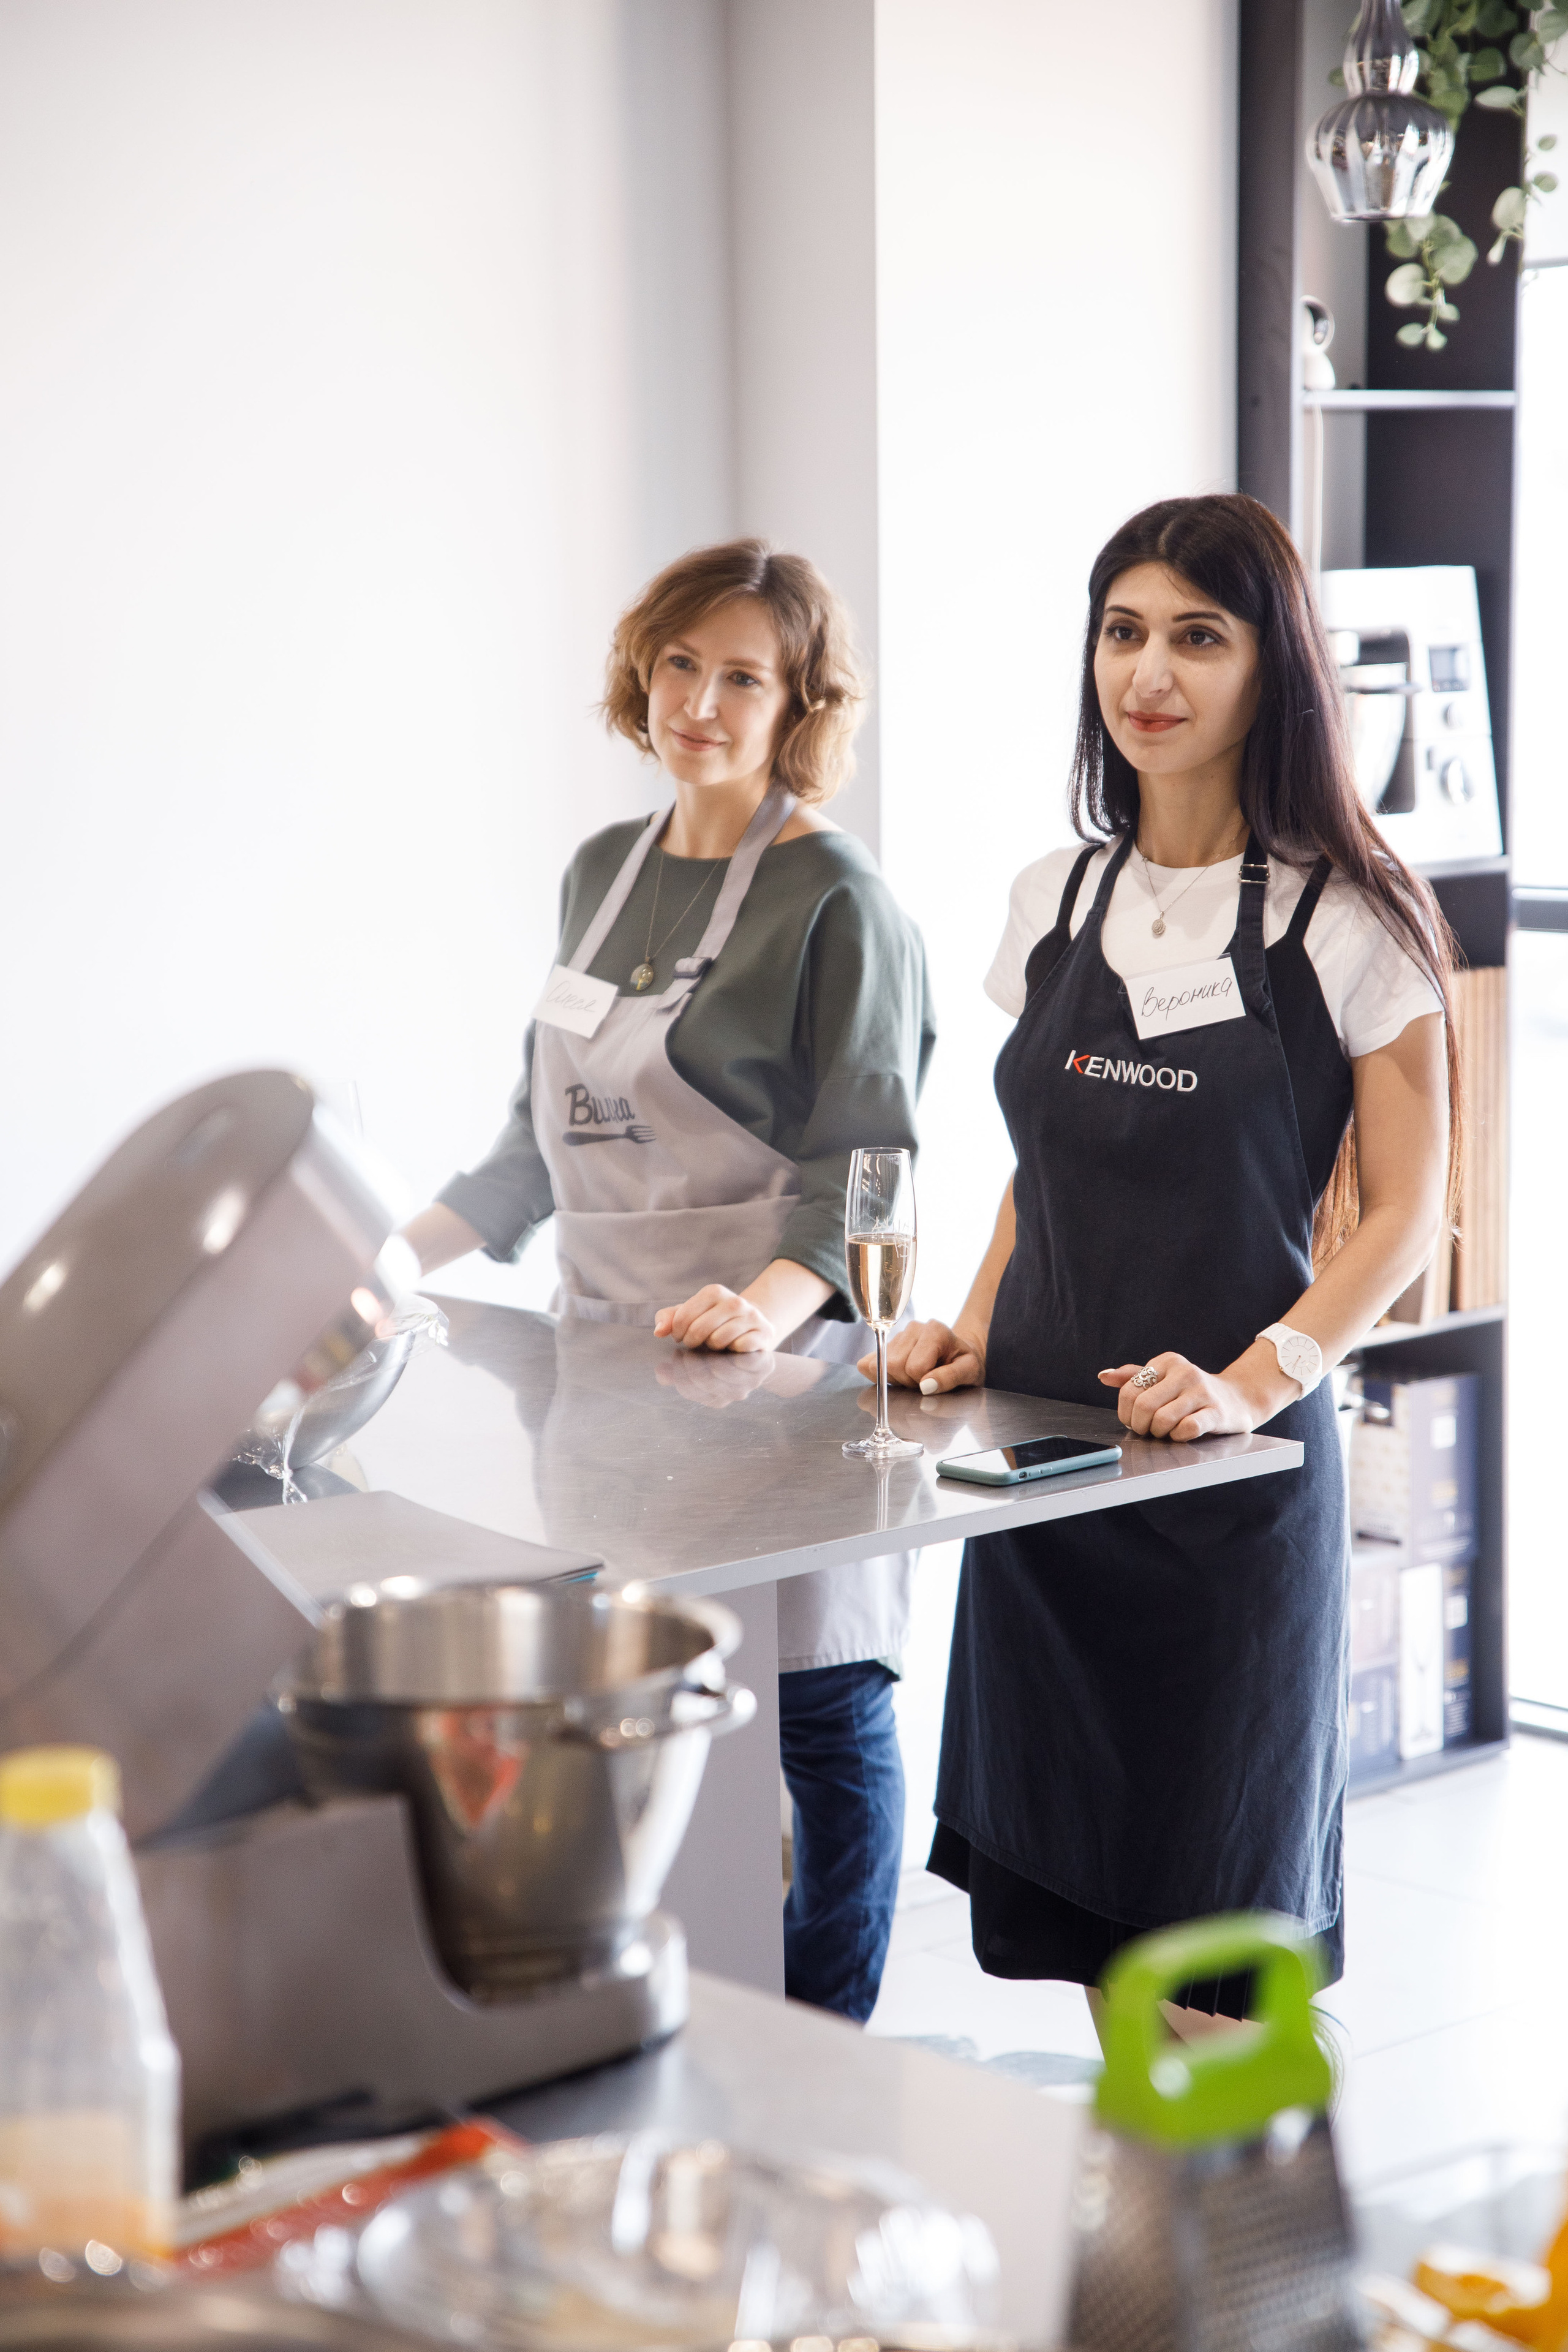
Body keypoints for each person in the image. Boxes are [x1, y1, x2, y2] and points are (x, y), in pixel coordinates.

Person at [880, 493, 1456, 2038]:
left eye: (1197, 636)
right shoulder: (1050, 898)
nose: (1149, 672)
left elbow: (1406, 1209)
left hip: (1226, 1500)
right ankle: (1168, 2267)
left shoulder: (1352, 919)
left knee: (1219, 1967)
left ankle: (1271, 2270)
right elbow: (1039, 1167)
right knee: (1098, 1952)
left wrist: (1257, 1383)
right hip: (1044, 1476)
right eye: (1122, 632)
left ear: (1275, 670)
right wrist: (970, 1323)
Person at [402, 538, 935, 2025]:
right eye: (680, 663)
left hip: (778, 1377)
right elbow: (532, 1151)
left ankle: (832, 2026)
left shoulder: (837, 896)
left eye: (743, 676)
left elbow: (867, 1176)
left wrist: (751, 1316)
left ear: (798, 703)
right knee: (635, 1707)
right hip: (601, 1383)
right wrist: (379, 1263)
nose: (699, 700)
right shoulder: (599, 871)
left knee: (821, 1712)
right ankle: (662, 2011)